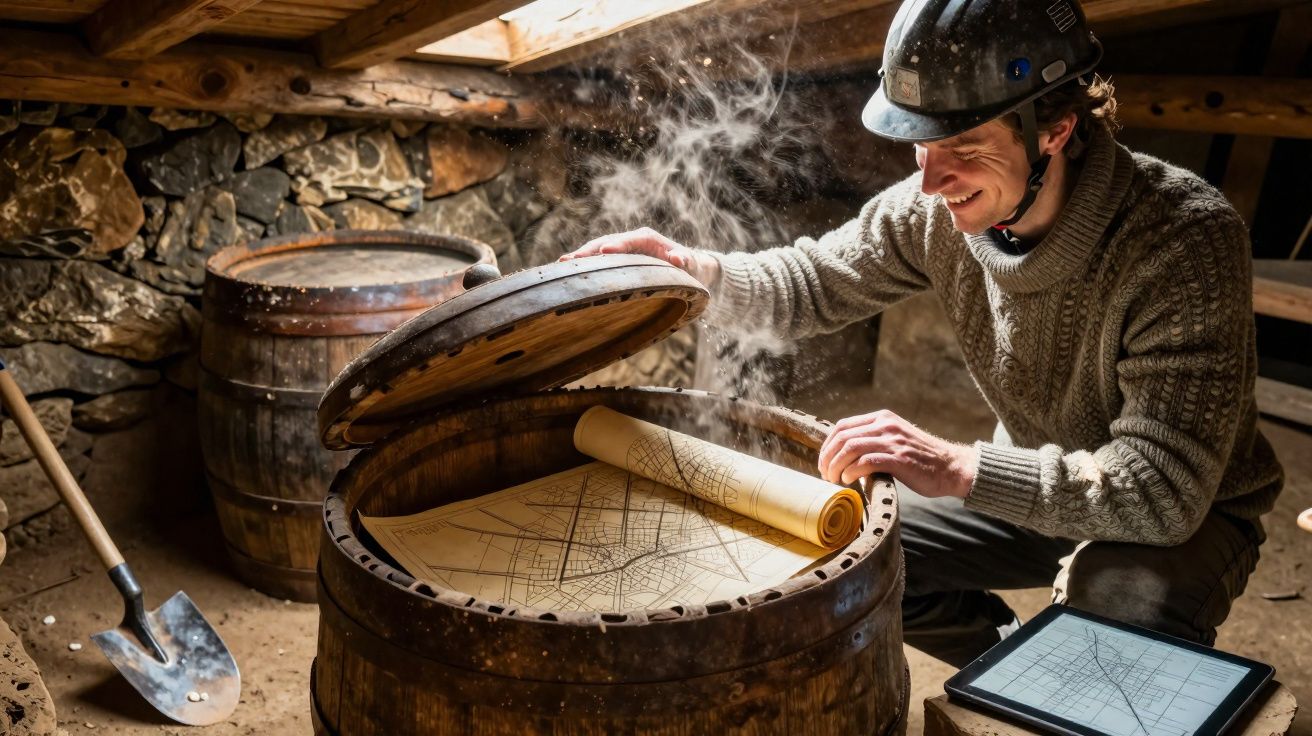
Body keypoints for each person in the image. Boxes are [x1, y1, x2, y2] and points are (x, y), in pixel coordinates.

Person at [560, 0, 1285, 667]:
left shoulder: (1182, 240)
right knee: (845, 551)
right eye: (921, 143)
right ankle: (1009, 669)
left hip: (1185, 515)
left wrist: (959, 467)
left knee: (1107, 624)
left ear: (1057, 129)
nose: (933, 181)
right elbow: (813, 282)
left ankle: (1064, 673)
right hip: (1038, 480)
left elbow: (1161, 488)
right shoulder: (932, 210)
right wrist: (694, 269)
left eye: (965, 143)